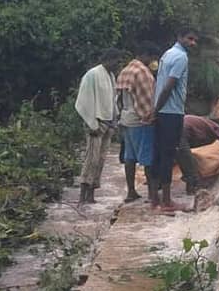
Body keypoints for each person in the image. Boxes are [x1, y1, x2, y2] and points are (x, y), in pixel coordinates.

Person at [153, 27, 198, 211]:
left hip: (163, 111)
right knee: (168, 156)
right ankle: (167, 201)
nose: (193, 43)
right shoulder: (181, 57)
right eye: (190, 39)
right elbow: (169, 86)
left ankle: (155, 199)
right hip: (171, 112)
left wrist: (156, 109)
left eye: (195, 40)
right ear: (179, 37)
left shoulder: (167, 54)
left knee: (159, 154)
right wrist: (157, 109)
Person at [75, 48, 123, 205]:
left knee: (101, 160)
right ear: (108, 59)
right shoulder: (92, 74)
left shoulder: (111, 76)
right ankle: (82, 196)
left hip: (107, 123)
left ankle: (91, 194)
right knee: (91, 159)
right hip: (95, 123)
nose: (117, 65)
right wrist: (91, 123)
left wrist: (114, 121)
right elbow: (83, 101)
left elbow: (113, 100)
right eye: (116, 61)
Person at [117, 42, 160, 203]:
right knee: (148, 159)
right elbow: (147, 99)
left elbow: (118, 98)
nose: (153, 61)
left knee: (129, 157)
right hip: (140, 120)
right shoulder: (142, 72)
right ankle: (152, 195)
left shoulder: (126, 70)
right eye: (152, 58)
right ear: (146, 55)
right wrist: (151, 117)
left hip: (126, 118)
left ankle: (131, 192)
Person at [177, 115, 219, 193]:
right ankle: (194, 187)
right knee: (188, 161)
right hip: (180, 131)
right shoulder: (214, 126)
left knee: (182, 158)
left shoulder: (201, 123)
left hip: (172, 127)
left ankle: (190, 184)